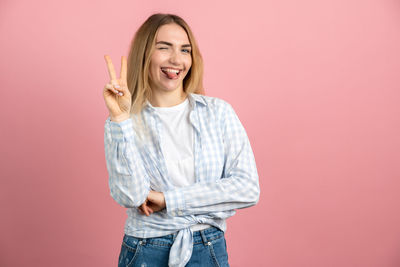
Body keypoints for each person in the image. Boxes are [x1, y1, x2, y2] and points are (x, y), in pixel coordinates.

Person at [103, 13, 260, 267]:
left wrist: (169, 200)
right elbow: (131, 196)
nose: (176, 59)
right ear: (144, 54)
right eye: (164, 48)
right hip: (145, 249)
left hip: (207, 246)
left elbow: (247, 188)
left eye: (184, 50)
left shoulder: (217, 113)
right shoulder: (125, 121)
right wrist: (120, 118)